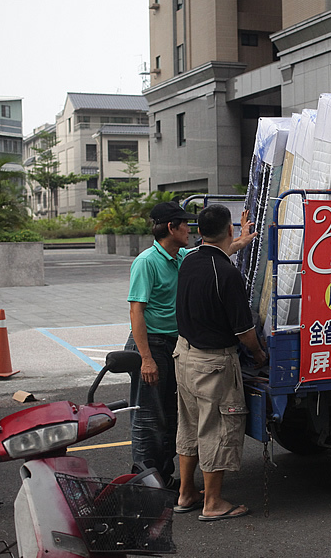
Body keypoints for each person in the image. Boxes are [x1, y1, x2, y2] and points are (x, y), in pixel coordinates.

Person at [173, 204, 267, 521]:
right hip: (213, 364)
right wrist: (258, 353)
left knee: (189, 426)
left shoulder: (188, 261)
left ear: (199, 233)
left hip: (184, 356)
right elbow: (245, 332)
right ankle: (212, 503)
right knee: (217, 429)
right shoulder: (228, 275)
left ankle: (186, 493)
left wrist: (241, 240)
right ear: (227, 230)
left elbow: (221, 252)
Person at [124, 201, 196, 487]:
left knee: (169, 415)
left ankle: (163, 478)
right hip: (150, 345)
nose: (189, 230)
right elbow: (136, 312)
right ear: (171, 227)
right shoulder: (146, 262)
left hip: (172, 344)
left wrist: (240, 240)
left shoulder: (180, 257)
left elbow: (214, 253)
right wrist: (146, 359)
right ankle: (146, 483)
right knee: (147, 419)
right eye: (185, 224)